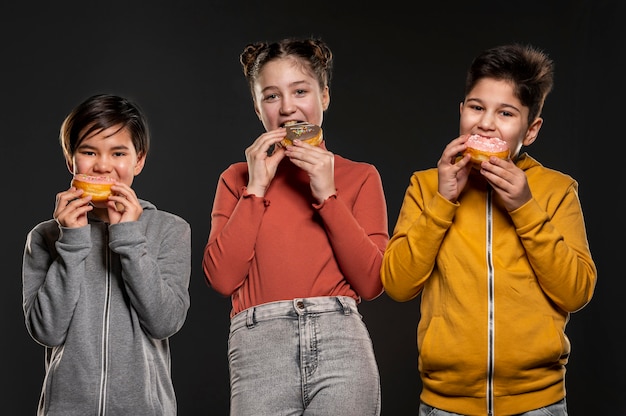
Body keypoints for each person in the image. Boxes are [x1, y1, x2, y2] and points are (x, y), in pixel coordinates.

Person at [380, 44, 597, 416]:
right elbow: (398, 285)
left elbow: (576, 292)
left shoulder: (558, 190)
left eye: (506, 113)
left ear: (530, 131)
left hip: (539, 402)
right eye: (477, 107)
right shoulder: (425, 185)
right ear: (461, 112)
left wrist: (525, 208)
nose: (486, 123)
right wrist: (443, 200)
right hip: (445, 404)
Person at [202, 37, 388, 415]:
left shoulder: (360, 176)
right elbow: (222, 279)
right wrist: (255, 188)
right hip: (259, 350)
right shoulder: (235, 179)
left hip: (341, 347)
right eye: (271, 96)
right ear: (257, 108)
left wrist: (328, 195)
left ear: (324, 97)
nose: (288, 108)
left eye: (300, 91)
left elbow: (371, 282)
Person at [22, 94, 191, 416]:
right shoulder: (44, 236)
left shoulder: (170, 229)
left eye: (118, 152)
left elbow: (164, 322)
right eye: (88, 152)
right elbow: (46, 330)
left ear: (138, 160)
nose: (102, 165)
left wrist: (128, 236)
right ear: (71, 160)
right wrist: (70, 240)